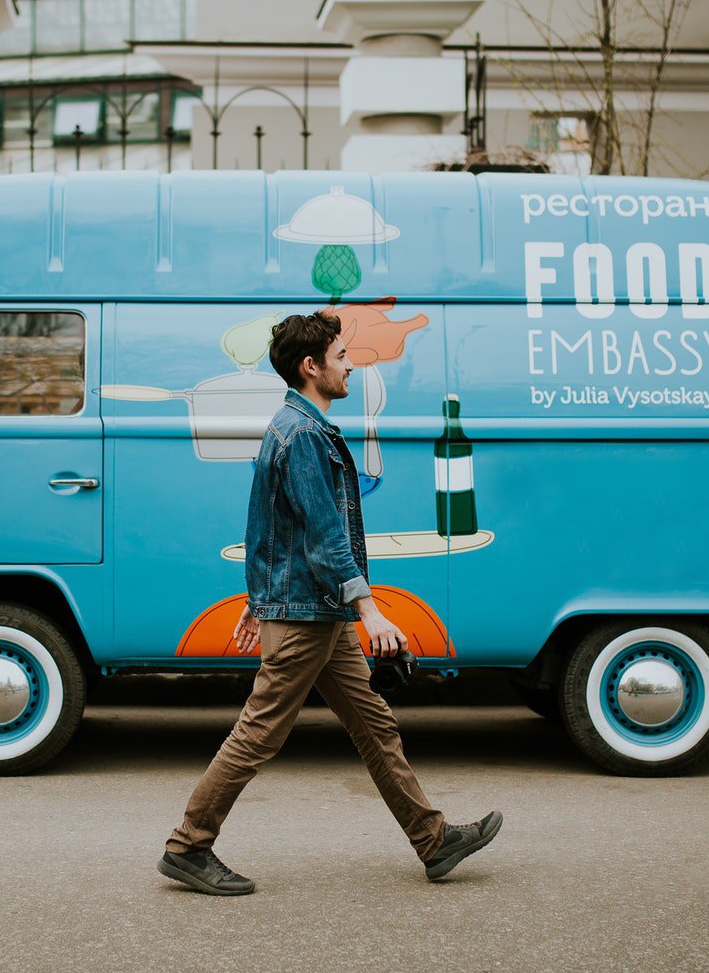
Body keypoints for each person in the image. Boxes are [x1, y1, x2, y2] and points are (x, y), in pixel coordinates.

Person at [157, 310, 502, 896]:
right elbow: (321, 533)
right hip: (309, 616)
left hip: (313, 608)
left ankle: (433, 838)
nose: (350, 366)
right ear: (310, 366)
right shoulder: (303, 435)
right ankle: (188, 846)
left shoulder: (296, 428)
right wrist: (369, 609)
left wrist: (256, 597)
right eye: (341, 357)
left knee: (375, 725)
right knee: (258, 733)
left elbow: (270, 522)